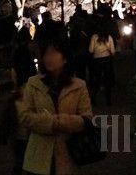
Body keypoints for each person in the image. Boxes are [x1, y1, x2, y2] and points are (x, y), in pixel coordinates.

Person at [20, 38, 93, 175]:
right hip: (38, 156)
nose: (48, 58)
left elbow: (87, 118)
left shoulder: (79, 86)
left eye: (53, 53)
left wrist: (63, 121)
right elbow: (25, 116)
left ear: (65, 59)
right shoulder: (33, 83)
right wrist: (52, 123)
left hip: (68, 154)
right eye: (46, 54)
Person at [88, 26, 115, 106]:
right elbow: (113, 51)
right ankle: (108, 100)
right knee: (108, 79)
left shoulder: (94, 37)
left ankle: (93, 98)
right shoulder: (109, 37)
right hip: (107, 59)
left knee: (97, 79)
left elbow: (91, 50)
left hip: (97, 60)